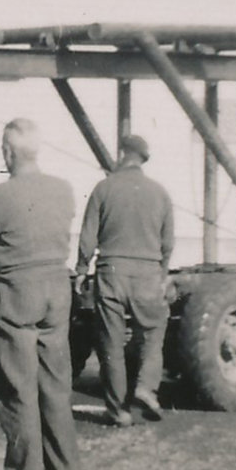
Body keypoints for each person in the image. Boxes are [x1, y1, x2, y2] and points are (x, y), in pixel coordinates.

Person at [0, 119, 80, 470]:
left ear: (8, 152)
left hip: (19, 292)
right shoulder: (63, 190)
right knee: (56, 385)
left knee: (18, 386)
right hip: (57, 291)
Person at [77, 134, 174, 425]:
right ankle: (146, 388)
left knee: (111, 342)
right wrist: (162, 271)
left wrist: (82, 269)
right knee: (153, 333)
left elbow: (87, 236)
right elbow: (167, 242)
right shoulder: (160, 193)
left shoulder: (103, 188)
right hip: (147, 272)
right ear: (143, 159)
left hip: (112, 272)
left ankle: (118, 410)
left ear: (122, 154)